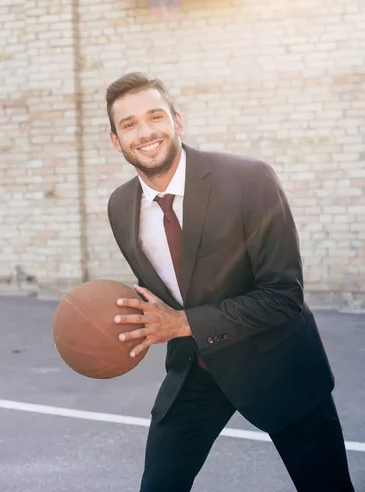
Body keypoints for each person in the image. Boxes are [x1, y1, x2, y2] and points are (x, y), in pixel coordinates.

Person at [106, 72, 354, 492]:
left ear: (177, 121)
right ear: (115, 140)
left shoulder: (247, 180)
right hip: (197, 369)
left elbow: (284, 296)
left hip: (277, 365)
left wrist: (182, 323)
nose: (145, 132)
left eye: (154, 117)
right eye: (129, 124)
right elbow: (173, 285)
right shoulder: (120, 206)